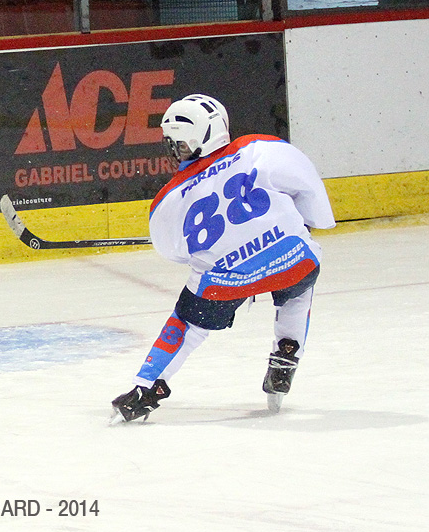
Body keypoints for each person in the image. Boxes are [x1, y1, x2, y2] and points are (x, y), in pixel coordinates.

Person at [110, 93, 336, 423]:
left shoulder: (168, 199)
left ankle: (146, 389)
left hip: (223, 283)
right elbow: (310, 191)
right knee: (300, 281)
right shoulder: (262, 147)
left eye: (178, 145)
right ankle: (287, 354)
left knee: (187, 322)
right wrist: (308, 223)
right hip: (291, 260)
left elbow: (175, 253)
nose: (176, 151)